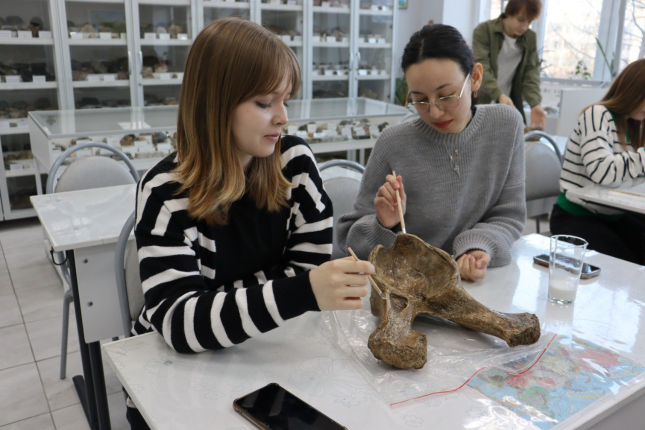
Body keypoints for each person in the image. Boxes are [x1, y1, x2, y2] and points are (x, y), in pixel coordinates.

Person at [127, 18, 374, 428]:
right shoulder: (163, 193)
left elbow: (306, 275)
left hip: (269, 356)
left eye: (285, 100)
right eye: (264, 103)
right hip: (179, 376)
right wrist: (299, 291)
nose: (283, 118)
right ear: (215, 104)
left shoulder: (294, 163)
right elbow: (180, 323)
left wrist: (230, 303)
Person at [336, 24, 526, 283]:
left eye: (446, 96)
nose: (435, 112)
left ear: (475, 78)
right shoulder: (393, 143)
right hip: (407, 288)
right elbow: (352, 243)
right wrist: (383, 224)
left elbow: (509, 214)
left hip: (477, 285)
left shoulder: (505, 126)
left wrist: (477, 246)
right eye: (420, 100)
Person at [550, 59, 645, 265]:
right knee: (629, 268)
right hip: (576, 216)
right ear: (632, 91)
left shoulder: (634, 124)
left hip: (613, 215)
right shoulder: (597, 114)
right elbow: (602, 171)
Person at [472, 0, 546, 128]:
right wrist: (498, 95)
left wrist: (535, 104)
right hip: (482, 99)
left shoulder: (529, 38)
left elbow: (531, 73)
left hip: (508, 103)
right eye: (521, 20)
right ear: (509, 12)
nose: (524, 26)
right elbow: (481, 68)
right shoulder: (484, 30)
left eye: (529, 22)